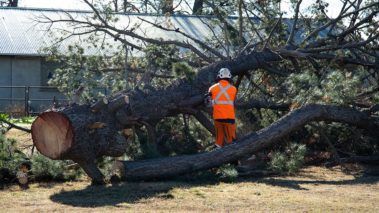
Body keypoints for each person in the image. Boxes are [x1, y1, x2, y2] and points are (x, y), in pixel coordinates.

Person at [206, 68, 237, 148]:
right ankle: (234, 159)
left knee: (219, 141)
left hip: (218, 118)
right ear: (229, 77)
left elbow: (208, 104)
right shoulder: (234, 89)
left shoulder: (212, 88)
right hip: (230, 118)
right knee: (232, 142)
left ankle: (217, 155)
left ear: (219, 76)